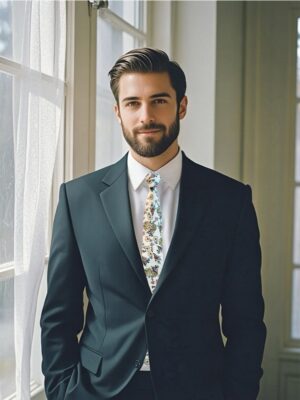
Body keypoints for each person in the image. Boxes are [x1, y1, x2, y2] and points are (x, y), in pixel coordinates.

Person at [40, 48, 266, 400]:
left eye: (159, 100)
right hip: (98, 390)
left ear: (182, 106)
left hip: (199, 388)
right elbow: (58, 315)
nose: (146, 116)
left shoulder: (230, 201)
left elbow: (246, 319)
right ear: (117, 112)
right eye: (132, 103)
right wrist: (62, 391)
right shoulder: (77, 199)